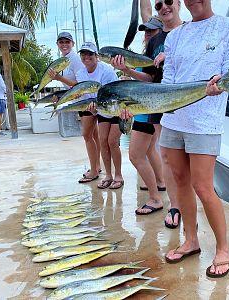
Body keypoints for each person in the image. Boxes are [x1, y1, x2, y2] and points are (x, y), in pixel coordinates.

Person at [160, 0, 229, 278]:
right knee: (180, 181)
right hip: (173, 118)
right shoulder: (174, 36)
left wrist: (220, 82)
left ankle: (223, 249)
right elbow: (168, 78)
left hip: (205, 121)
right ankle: (191, 240)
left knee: (203, 186)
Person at [111, 0, 183, 228]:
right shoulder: (154, 44)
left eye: (169, 2)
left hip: (181, 103)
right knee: (162, 157)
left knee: (173, 159)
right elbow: (151, 78)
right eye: (160, 3)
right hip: (154, 105)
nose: (148, 33)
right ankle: (166, 203)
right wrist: (127, 70)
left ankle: (178, 207)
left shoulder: (187, 32)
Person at [51, 42, 124, 188]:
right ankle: (108, 175)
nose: (86, 57)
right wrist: (89, 108)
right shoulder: (81, 73)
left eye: (90, 54)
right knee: (103, 141)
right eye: (83, 54)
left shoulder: (107, 71)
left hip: (116, 108)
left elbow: (115, 92)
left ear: (96, 56)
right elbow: (84, 95)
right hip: (101, 110)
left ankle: (118, 176)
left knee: (112, 142)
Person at [49, 32, 101, 181]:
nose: (64, 44)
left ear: (72, 44)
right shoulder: (63, 60)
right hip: (79, 98)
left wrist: (58, 77)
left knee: (87, 135)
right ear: (57, 44)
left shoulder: (76, 59)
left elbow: (80, 84)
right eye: (61, 42)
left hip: (85, 99)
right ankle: (96, 166)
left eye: (67, 42)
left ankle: (94, 169)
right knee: (94, 135)